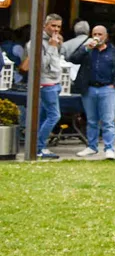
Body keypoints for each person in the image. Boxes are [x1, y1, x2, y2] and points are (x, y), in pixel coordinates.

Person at [67, 25, 115, 159]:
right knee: (92, 120)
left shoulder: (114, 52)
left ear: (106, 36)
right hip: (90, 88)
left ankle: (109, 148)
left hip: (107, 88)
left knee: (108, 120)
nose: (97, 37)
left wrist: (114, 84)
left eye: (100, 34)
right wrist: (86, 48)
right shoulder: (87, 49)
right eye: (95, 34)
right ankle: (92, 146)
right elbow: (73, 59)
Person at [20, 13, 65, 159]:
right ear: (45, 25)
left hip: (55, 82)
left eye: (58, 26)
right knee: (54, 115)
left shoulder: (55, 40)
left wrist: (58, 45)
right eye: (53, 25)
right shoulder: (36, 42)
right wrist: (52, 47)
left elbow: (58, 61)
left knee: (44, 116)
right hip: (45, 83)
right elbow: (40, 66)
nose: (56, 29)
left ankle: (38, 147)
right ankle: (38, 147)